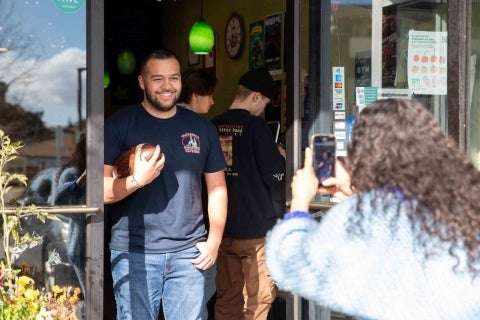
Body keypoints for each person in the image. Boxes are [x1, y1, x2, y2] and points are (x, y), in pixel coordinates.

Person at [266, 98, 480, 320]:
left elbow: (290, 264)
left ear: (365, 155)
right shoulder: (466, 208)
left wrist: (301, 199)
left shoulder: (364, 217)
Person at [103, 48, 228, 320]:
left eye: (174, 78)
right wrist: (137, 180)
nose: (167, 86)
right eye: (157, 78)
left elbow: (217, 189)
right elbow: (101, 191)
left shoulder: (202, 128)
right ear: (141, 82)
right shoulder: (118, 126)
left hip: (189, 255)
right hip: (133, 252)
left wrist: (214, 241)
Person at [211, 68, 286, 320]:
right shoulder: (257, 127)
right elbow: (275, 176)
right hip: (255, 233)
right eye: (264, 102)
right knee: (258, 299)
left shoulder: (213, 124)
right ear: (255, 96)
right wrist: (281, 160)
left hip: (222, 230)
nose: (263, 109)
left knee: (228, 297)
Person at [53, 132, 87, 318]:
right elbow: (58, 204)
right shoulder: (73, 173)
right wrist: (81, 181)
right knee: (92, 299)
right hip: (83, 248)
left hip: (110, 244)